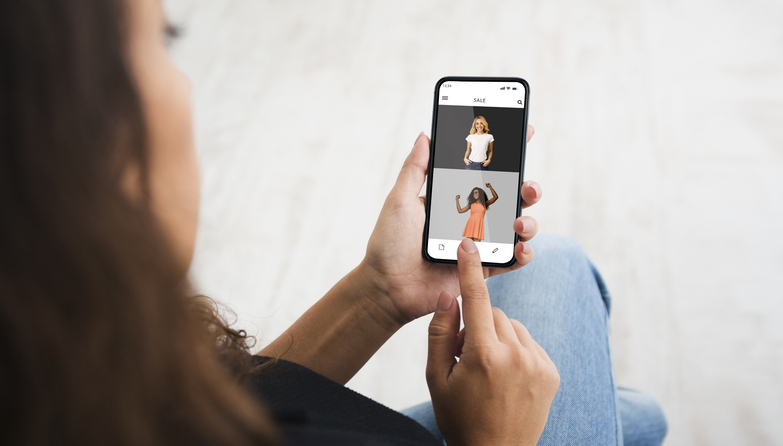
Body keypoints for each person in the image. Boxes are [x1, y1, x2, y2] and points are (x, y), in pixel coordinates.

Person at [0, 0, 667, 445]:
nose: (186, 84)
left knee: (634, 415)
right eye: (161, 40)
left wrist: (381, 291)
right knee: (562, 277)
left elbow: (223, 413)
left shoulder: (65, 375)